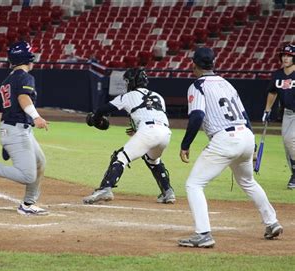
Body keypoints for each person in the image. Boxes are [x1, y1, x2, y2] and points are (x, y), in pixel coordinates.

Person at [178, 47, 283, 248]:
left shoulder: (197, 86)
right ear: (213, 63)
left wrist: (185, 145)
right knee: (247, 181)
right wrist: (251, 147)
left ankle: (203, 233)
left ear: (195, 64)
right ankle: (272, 222)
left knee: (194, 184)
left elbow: (197, 116)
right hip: (245, 135)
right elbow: (244, 116)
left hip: (225, 139)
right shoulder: (227, 83)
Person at [0, 41, 49, 216]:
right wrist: (36, 117)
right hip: (17, 130)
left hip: (13, 129)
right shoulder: (25, 77)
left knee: (40, 162)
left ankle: (28, 204)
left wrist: (5, 139)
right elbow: (23, 98)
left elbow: (0, 112)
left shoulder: (6, 81)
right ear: (27, 58)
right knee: (28, 176)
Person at [83, 68, 175, 204]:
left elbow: (103, 109)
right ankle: (168, 192)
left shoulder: (128, 96)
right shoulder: (158, 96)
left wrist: (95, 119)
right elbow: (153, 114)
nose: (126, 84)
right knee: (153, 160)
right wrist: (138, 130)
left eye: (127, 81)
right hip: (165, 133)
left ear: (132, 82)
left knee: (120, 157)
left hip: (148, 131)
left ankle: (105, 189)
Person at [262, 43, 295, 189]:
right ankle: (294, 174)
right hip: (288, 113)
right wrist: (267, 110)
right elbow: (272, 92)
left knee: (290, 140)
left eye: (289, 56)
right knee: (287, 146)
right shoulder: (278, 74)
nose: (286, 58)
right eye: (284, 55)